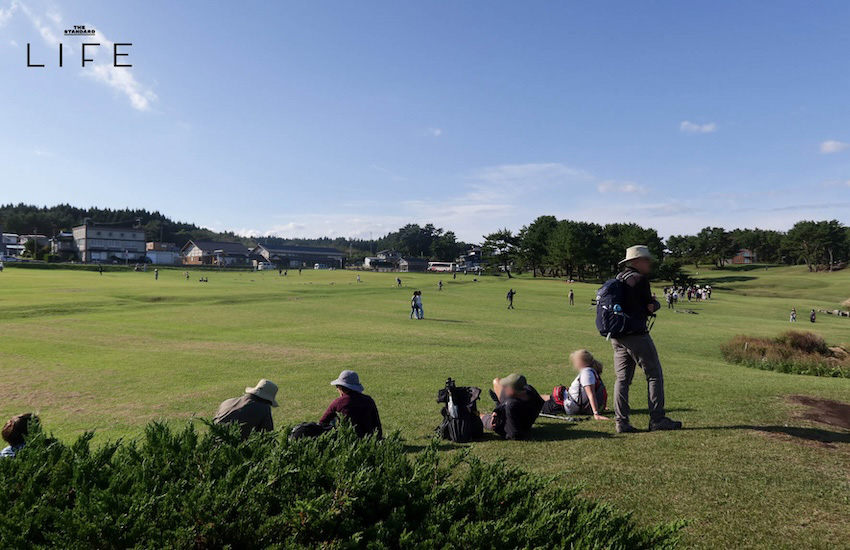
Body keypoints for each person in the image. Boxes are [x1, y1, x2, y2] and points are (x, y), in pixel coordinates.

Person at [609, 246, 681, 433]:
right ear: (636, 262)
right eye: (646, 259)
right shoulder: (639, 279)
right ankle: (657, 419)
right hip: (636, 335)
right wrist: (656, 304)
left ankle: (621, 422)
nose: (649, 263)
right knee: (654, 374)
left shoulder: (619, 278)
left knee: (622, 379)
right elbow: (649, 307)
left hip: (617, 334)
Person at [542, 350, 608, 420]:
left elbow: (591, 394)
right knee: (543, 397)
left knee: (536, 403)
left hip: (565, 405)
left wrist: (596, 413)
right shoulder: (591, 371)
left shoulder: (586, 374)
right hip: (566, 399)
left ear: (580, 362)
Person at [320, 370, 382, 438]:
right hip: (368, 438)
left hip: (346, 438)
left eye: (337, 386)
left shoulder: (338, 402)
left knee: (332, 418)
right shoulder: (368, 400)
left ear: (341, 387)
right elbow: (376, 424)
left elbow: (322, 422)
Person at [480, 374, 543, 440]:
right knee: (496, 381)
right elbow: (540, 403)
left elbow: (514, 434)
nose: (504, 389)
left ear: (513, 390)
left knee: (480, 417)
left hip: (502, 423)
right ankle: (498, 405)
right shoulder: (530, 390)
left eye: (506, 387)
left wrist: (498, 427)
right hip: (525, 423)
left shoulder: (511, 405)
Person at [213, 379, 278, 439]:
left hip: (213, 443)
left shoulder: (227, 402)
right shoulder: (263, 408)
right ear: (267, 400)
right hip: (237, 446)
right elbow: (268, 436)